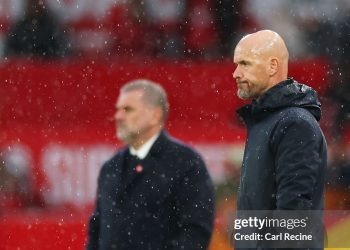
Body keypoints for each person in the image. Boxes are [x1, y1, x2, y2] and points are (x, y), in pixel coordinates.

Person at [86, 79, 215, 250]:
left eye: (128, 109)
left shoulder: (185, 163)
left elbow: (195, 232)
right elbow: (96, 230)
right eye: (118, 109)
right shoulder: (111, 167)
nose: (118, 116)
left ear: (155, 115)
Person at [232, 30, 327, 247]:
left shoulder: (294, 123)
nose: (235, 73)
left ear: (273, 66)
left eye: (245, 63)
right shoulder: (271, 120)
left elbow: (293, 213)